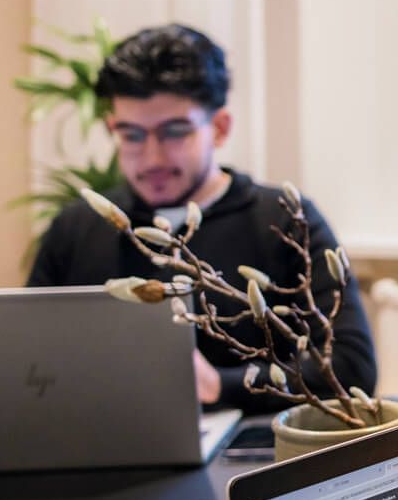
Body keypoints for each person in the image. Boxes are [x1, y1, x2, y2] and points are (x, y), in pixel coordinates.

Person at [27, 23, 375, 412]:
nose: (153, 158)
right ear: (113, 128)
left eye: (175, 132)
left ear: (220, 128)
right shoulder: (76, 229)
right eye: (132, 135)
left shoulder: (285, 220)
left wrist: (219, 385)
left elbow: (351, 369)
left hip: (249, 458)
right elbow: (28, 364)